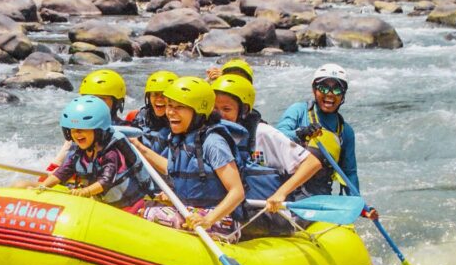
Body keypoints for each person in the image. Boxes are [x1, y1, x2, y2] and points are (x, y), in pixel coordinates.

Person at [131, 76, 246, 239]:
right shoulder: (181, 137)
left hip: (220, 218)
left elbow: (237, 192)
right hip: (189, 210)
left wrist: (207, 220)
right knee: (139, 207)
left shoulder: (214, 142)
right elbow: (172, 168)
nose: (170, 112)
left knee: (149, 215)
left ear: (199, 111)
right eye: (170, 106)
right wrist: (140, 148)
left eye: (179, 107)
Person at [211, 74, 322, 221]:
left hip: (265, 214)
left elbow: (312, 163)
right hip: (227, 212)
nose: (220, 115)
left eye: (226, 109)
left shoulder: (262, 133)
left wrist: (281, 193)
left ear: (243, 110)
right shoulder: (210, 135)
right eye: (215, 109)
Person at [275, 63, 378, 220]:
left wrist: (361, 207)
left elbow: (349, 173)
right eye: (324, 88)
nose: (330, 94)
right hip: (284, 187)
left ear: (343, 95)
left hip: (318, 195)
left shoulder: (345, 132)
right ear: (314, 90)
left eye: (337, 89)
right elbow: (277, 137)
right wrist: (302, 133)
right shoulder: (299, 111)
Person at [18, 96, 149, 211]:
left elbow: (105, 181)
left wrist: (84, 192)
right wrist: (42, 187)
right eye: (73, 130)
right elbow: (62, 172)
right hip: (97, 200)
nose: (77, 134)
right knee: (22, 185)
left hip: (122, 206)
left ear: (98, 131)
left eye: (82, 130)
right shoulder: (79, 152)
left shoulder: (111, 153)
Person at [47, 68, 130, 173]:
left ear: (117, 103)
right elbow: (63, 157)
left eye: (101, 99)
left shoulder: (126, 131)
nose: (93, 104)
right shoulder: (79, 128)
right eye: (89, 98)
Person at [126, 70, 176, 153]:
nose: (159, 99)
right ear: (148, 97)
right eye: (155, 94)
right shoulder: (140, 116)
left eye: (164, 95)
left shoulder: (181, 122)